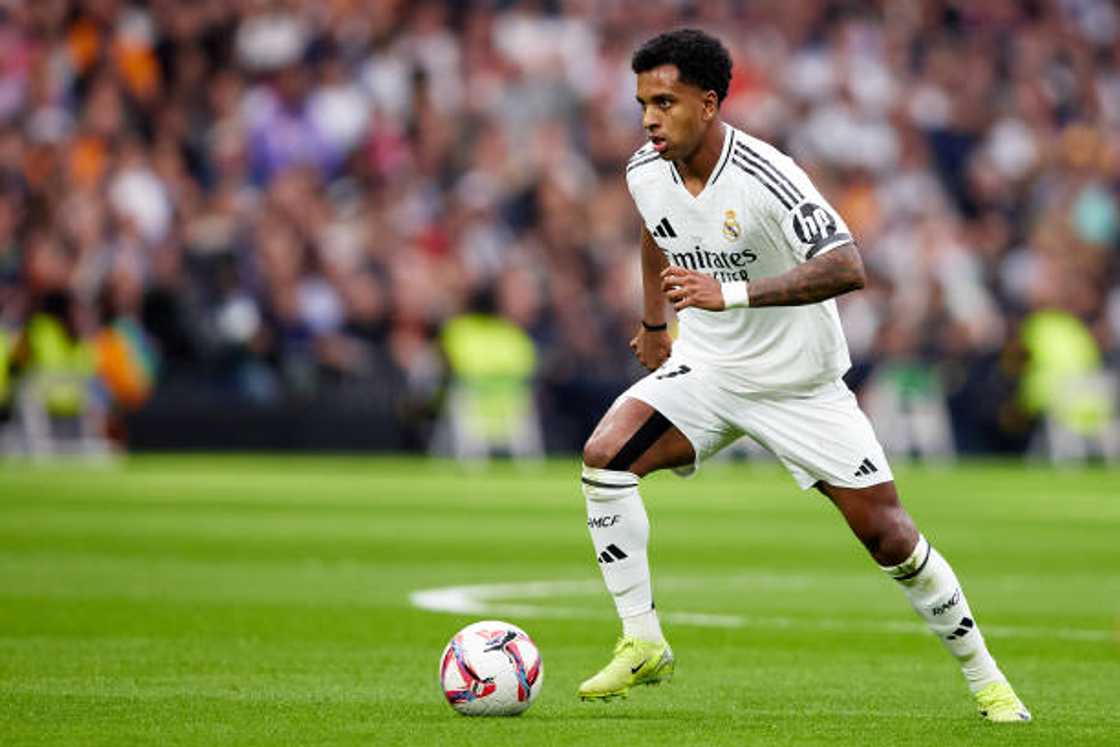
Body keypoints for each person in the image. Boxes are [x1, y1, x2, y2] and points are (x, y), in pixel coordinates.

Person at [577, 29, 1031, 723]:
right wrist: (655, 323)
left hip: (799, 385)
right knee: (605, 459)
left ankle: (988, 679)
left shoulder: (767, 175)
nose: (648, 117)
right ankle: (643, 638)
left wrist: (729, 295)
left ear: (709, 101)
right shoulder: (646, 167)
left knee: (888, 535)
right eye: (642, 102)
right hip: (709, 369)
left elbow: (848, 264)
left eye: (664, 101)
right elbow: (654, 225)